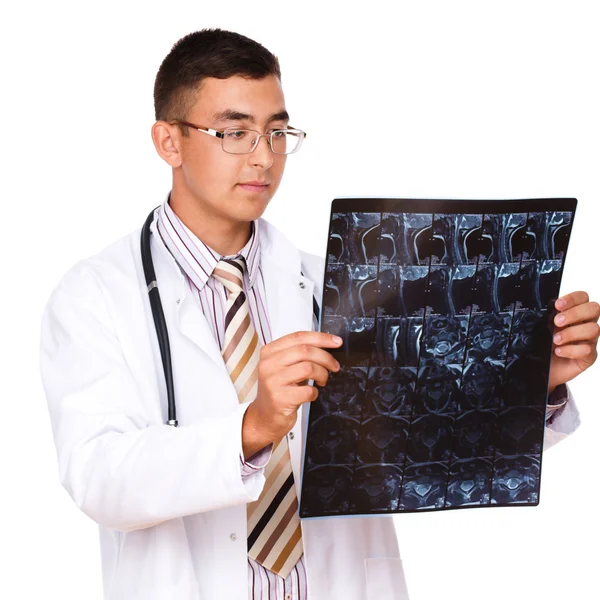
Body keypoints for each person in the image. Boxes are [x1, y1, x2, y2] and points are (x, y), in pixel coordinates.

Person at [39, 28, 600, 600]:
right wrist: (252, 427)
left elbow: (417, 450)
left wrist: (530, 378)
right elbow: (99, 479)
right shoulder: (96, 296)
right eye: (234, 132)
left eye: (277, 132)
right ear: (169, 142)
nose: (264, 156)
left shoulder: (338, 288)